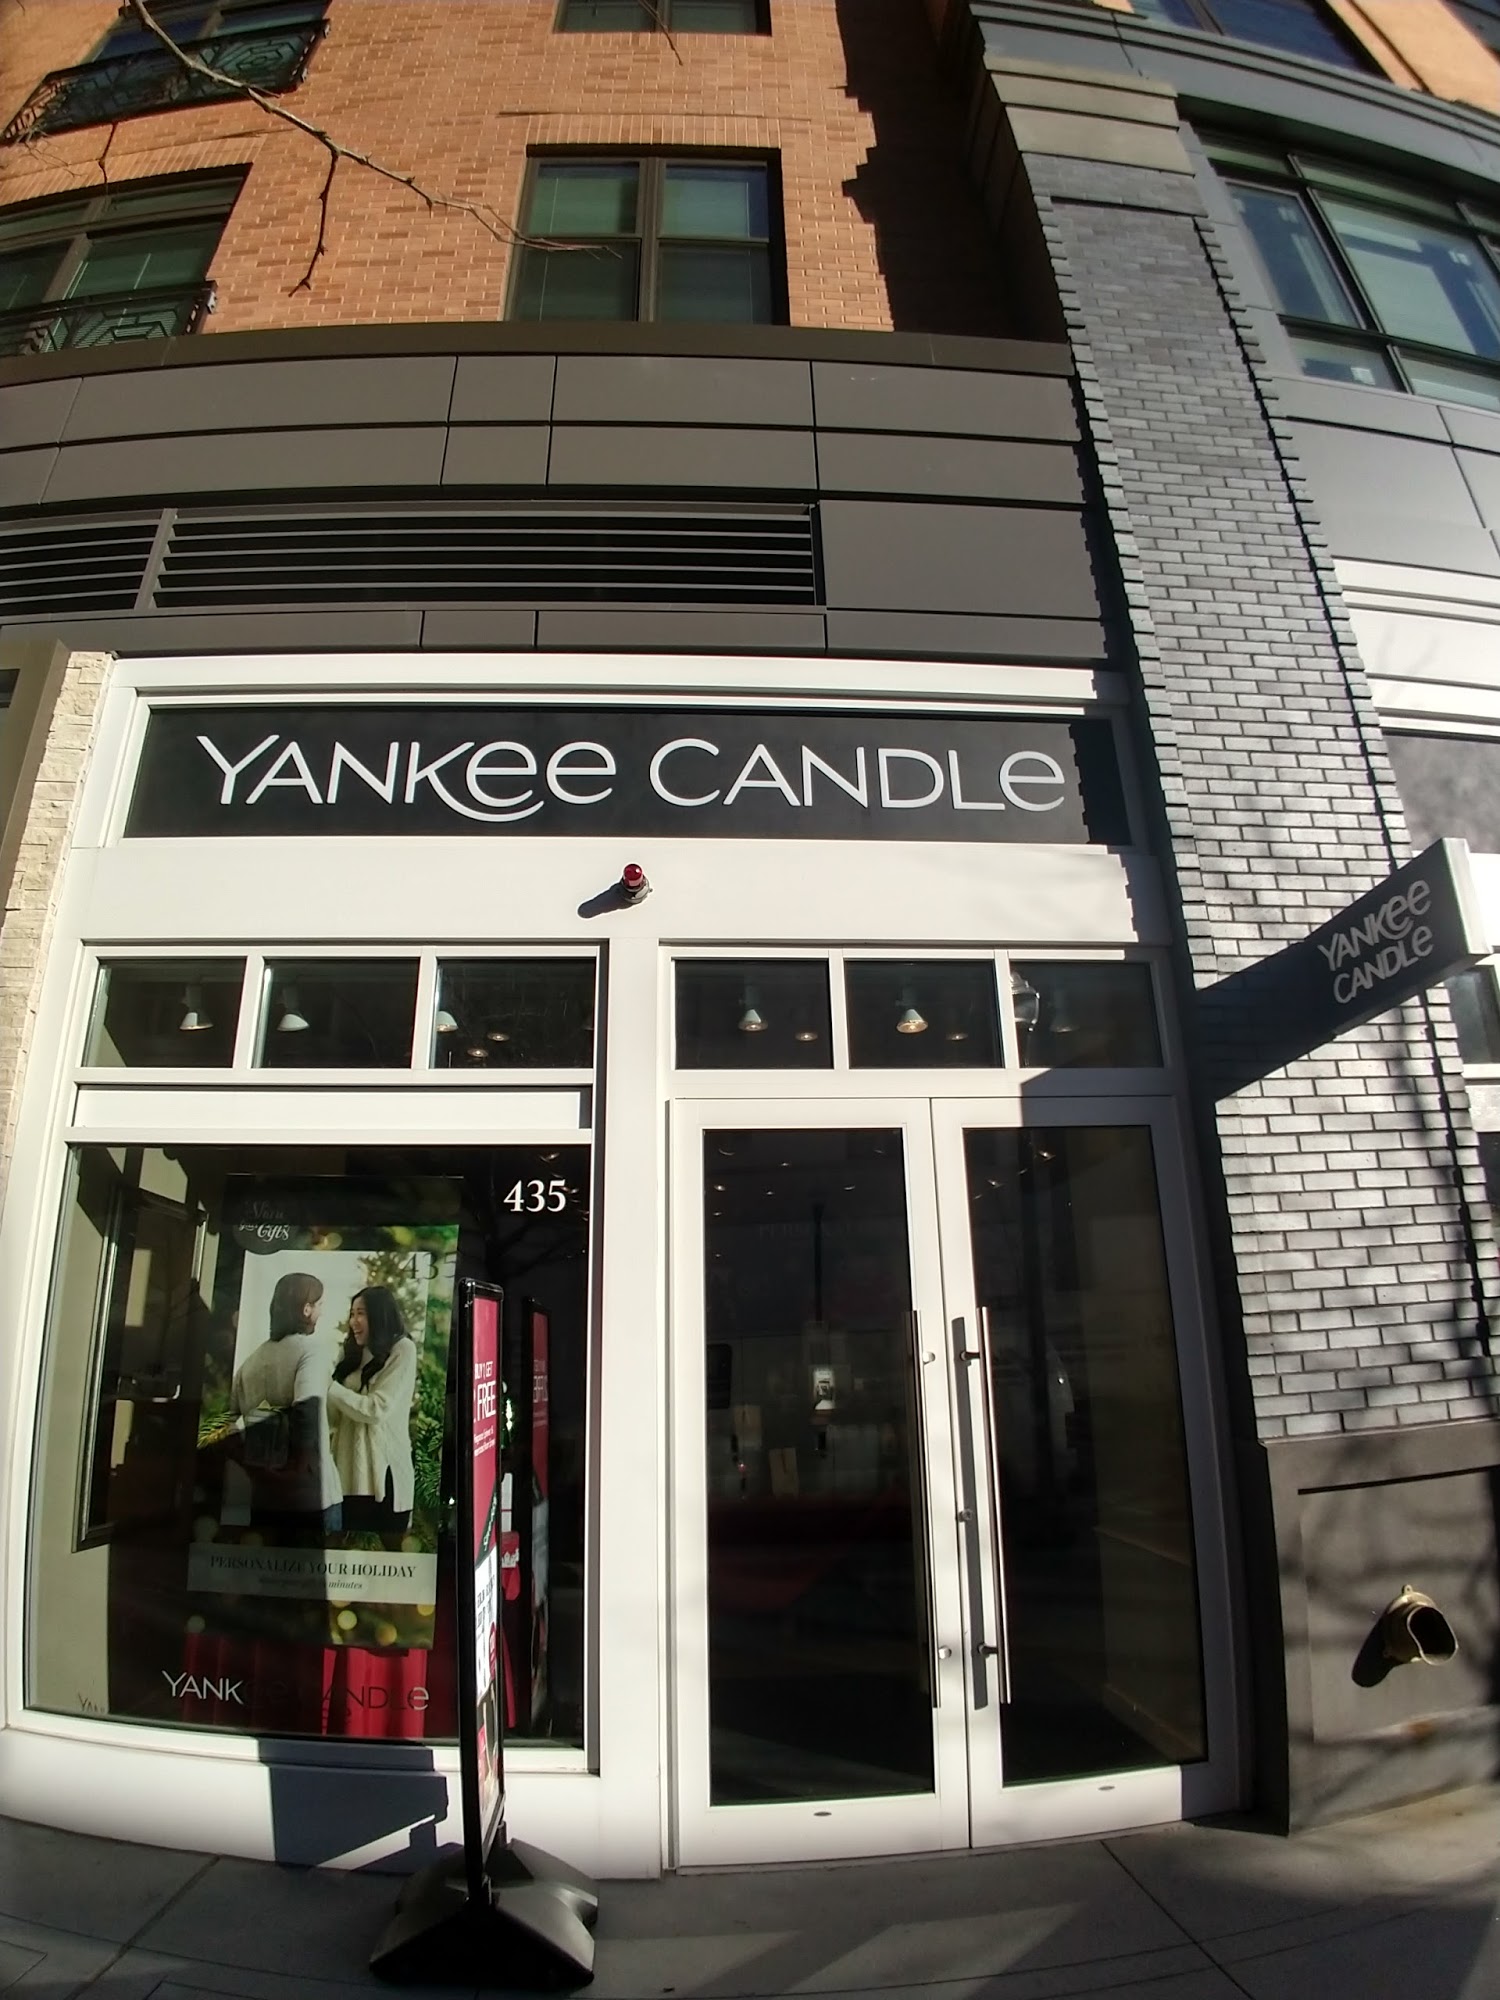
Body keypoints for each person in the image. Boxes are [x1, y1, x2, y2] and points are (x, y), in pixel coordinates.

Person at [229, 1270, 343, 1536]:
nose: (322, 1312)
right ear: (306, 1309)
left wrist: (254, 1468)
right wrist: (296, 1473)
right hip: (311, 1496)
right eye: (320, 1304)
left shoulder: (250, 1363)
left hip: (264, 1498)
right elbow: (307, 1408)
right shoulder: (311, 1350)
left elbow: (224, 1423)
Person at [329, 1286, 417, 1538]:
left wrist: (329, 1387)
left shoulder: (402, 1349)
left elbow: (376, 1410)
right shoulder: (349, 1353)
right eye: (352, 1314)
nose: (353, 1321)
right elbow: (334, 1417)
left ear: (379, 1315)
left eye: (361, 1313)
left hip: (385, 1477)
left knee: (387, 1554)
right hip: (345, 1477)